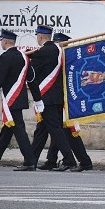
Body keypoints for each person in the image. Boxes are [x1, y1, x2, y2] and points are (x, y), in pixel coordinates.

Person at [37, 33, 93, 172]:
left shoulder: (68, 59)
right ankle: (51, 159)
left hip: (67, 101)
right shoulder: (57, 58)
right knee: (58, 130)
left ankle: (83, 161)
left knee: (67, 132)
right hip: (60, 100)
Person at [0, 29, 43, 170]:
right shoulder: (24, 57)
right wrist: (38, 99)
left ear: (5, 41)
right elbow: (31, 80)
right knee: (8, 129)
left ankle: (30, 161)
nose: (1, 43)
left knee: (18, 129)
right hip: (19, 98)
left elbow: (0, 81)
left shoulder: (4, 58)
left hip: (10, 99)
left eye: (1, 41)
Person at [29, 25, 77, 171]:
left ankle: (69, 160)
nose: (37, 37)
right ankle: (31, 160)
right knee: (42, 131)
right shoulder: (58, 49)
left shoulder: (42, 52)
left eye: (37, 35)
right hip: (56, 97)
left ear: (41, 36)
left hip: (46, 97)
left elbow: (31, 73)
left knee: (55, 129)